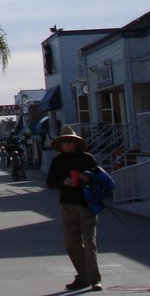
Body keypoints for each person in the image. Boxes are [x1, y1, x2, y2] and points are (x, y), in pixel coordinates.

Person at [46, 125, 101, 291]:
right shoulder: (57, 161)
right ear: (61, 145)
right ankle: (82, 276)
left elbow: (100, 179)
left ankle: (94, 279)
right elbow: (50, 182)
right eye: (65, 142)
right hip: (67, 205)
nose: (68, 144)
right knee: (71, 244)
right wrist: (64, 182)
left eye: (71, 141)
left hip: (87, 205)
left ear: (77, 143)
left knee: (89, 242)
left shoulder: (87, 159)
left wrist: (87, 177)